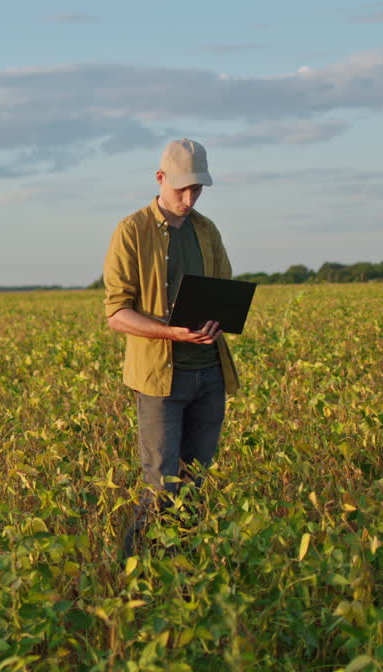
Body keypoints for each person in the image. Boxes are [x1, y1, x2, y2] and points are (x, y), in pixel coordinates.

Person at [102, 138, 241, 554]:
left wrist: (216, 321)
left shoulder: (207, 230)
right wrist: (172, 332)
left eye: (196, 189)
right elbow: (116, 314)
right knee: (161, 484)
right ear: (160, 178)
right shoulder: (132, 230)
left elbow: (224, 292)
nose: (189, 197)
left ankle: (185, 571)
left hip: (209, 373)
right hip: (160, 379)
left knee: (195, 483)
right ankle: (134, 569)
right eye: (181, 187)